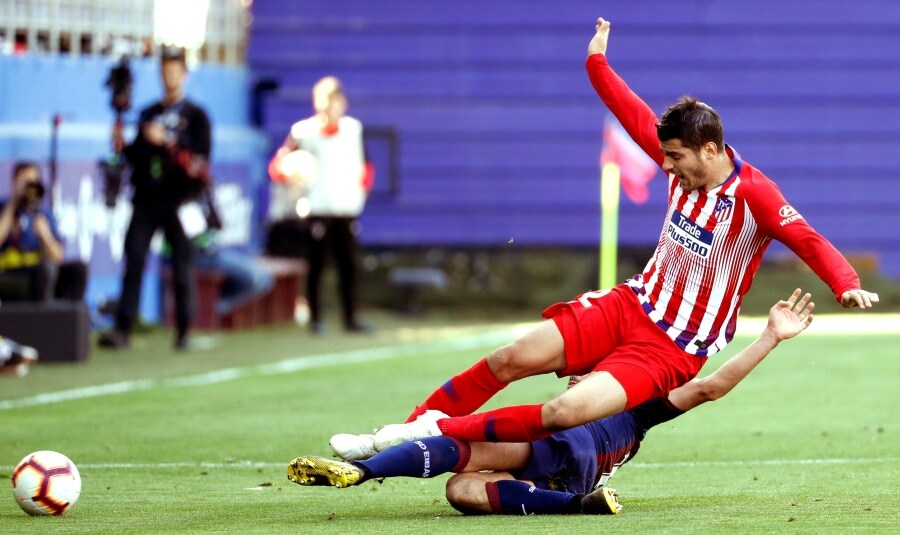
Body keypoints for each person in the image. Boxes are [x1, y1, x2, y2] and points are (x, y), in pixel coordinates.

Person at [362, 17, 879, 451]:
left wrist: (845, 282)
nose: (668, 168)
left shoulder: (756, 195)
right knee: (508, 358)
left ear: (711, 149)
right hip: (631, 303)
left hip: (673, 346)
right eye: (666, 157)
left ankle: (432, 434)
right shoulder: (678, 158)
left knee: (565, 410)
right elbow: (629, 110)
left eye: (676, 158)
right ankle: (404, 430)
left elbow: (807, 237)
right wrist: (596, 62)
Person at [289, 290, 816, 515]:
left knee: (473, 447)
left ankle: (365, 470)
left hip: (564, 448)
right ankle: (576, 508)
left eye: (587, 373)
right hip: (569, 477)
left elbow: (708, 384)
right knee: (462, 492)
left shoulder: (637, 407)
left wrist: (769, 336)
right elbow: (708, 389)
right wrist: (769, 339)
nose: (577, 375)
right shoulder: (641, 424)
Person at [99, 46, 212, 350]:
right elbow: (137, 156)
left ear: (185, 75)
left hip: (180, 201)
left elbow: (201, 163)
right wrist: (124, 145)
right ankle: (123, 327)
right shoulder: (148, 113)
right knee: (134, 257)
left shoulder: (197, 116)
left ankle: (184, 331)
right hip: (147, 199)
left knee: (182, 265)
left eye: (175, 71)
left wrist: (169, 141)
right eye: (165, 72)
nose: (170, 78)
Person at [268, 76, 373, 334]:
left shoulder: (353, 130)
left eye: (334, 102)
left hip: (345, 209)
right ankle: (315, 318)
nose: (329, 108)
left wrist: (360, 193)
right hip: (316, 210)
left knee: (348, 266)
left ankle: (351, 317)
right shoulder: (303, 132)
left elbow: (367, 167)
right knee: (316, 266)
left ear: (343, 103)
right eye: (324, 102)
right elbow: (277, 167)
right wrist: (289, 174)